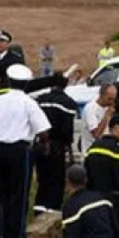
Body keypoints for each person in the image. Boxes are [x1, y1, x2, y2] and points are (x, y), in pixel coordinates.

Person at [0, 71, 52, 238]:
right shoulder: (28, 102)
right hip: (19, 151)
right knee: (19, 194)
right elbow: (43, 130)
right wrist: (44, 145)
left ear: (8, 81)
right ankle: (15, 237)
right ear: (26, 83)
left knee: (0, 193)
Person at [34, 72, 79, 215]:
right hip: (56, 146)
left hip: (39, 144)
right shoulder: (68, 103)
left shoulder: (40, 99)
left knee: (42, 178)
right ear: (65, 85)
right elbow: (67, 129)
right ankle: (52, 209)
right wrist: (68, 145)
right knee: (56, 178)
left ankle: (39, 207)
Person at [61, 164, 119, 238]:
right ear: (86, 180)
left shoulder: (72, 206)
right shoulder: (103, 200)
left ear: (67, 181)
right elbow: (117, 230)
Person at [81, 83, 117, 153]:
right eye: (109, 99)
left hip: (105, 151)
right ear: (102, 95)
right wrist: (106, 116)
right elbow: (96, 134)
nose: (112, 102)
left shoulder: (109, 107)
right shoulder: (91, 109)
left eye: (114, 99)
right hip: (92, 152)